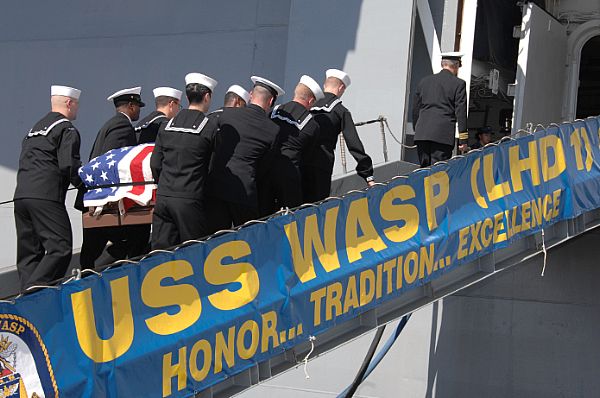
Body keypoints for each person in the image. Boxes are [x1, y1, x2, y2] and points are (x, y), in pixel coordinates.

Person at [13, 85, 83, 289]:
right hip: (46, 196)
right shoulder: (66, 129)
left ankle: (27, 301)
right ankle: (36, 289)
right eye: (77, 104)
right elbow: (69, 165)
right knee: (60, 247)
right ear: (69, 103)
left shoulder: (33, 131)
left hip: (22, 196)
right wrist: (84, 186)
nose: (77, 109)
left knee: (29, 254)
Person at [78, 87, 146, 269]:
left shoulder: (109, 124)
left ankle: (87, 275)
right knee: (135, 237)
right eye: (138, 106)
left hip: (96, 196)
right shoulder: (122, 126)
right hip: (104, 198)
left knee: (93, 246)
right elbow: (113, 162)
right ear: (131, 106)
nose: (139, 110)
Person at [150, 73, 219, 249]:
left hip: (163, 198)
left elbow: (155, 163)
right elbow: (213, 167)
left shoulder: (167, 124)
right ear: (207, 97)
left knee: (160, 254)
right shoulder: (209, 127)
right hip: (189, 199)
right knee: (193, 252)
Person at [205, 76, 283, 232]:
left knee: (213, 238)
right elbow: (264, 166)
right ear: (270, 101)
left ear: (251, 94)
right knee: (248, 238)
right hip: (245, 191)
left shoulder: (226, 115)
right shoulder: (273, 130)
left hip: (216, 186)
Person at [306, 69, 375, 203]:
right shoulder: (340, 111)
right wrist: (368, 176)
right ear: (341, 87)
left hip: (299, 164)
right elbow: (354, 144)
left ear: (325, 85)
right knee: (314, 211)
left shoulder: (308, 105)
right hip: (321, 167)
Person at [263, 75, 323, 215]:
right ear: (311, 100)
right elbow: (307, 157)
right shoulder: (312, 124)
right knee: (290, 217)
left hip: (266, 169)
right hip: (289, 176)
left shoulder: (275, 111)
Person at [412, 52, 468, 167]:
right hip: (442, 135)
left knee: (423, 169)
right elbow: (461, 112)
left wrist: (417, 129)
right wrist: (463, 140)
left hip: (422, 134)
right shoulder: (459, 84)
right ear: (456, 66)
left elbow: (416, 109)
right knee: (438, 173)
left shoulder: (424, 81)